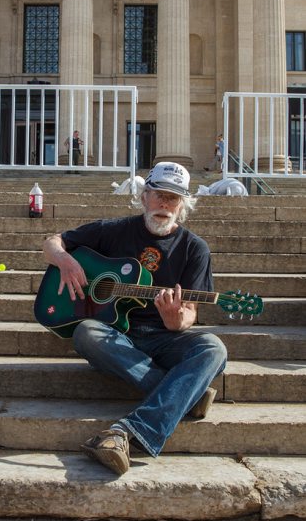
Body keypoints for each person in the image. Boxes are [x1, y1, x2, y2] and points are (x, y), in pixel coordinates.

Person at [42, 161, 227, 476]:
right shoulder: (112, 231)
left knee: (214, 348)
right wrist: (65, 261)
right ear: (144, 196)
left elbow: (189, 316)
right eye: (158, 195)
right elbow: (52, 241)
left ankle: (126, 432)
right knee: (86, 332)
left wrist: (175, 321)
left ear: (183, 205)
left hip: (165, 338)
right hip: (118, 337)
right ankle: (186, 393)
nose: (164, 204)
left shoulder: (195, 248)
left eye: (173, 198)